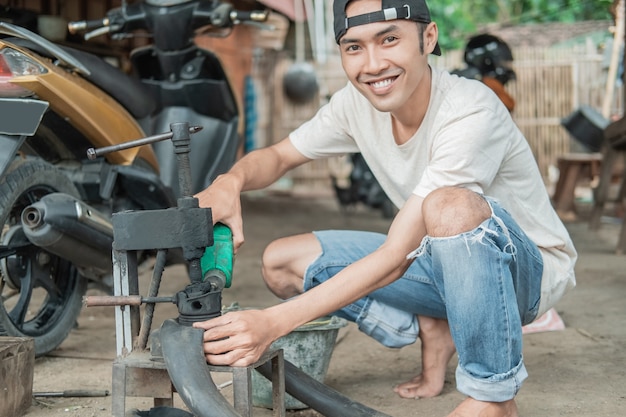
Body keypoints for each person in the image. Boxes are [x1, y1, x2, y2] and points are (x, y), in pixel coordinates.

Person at [193, 0, 577, 416]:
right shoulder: (353, 104)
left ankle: (493, 396)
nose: (373, 64)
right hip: (438, 260)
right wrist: (229, 182)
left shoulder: (470, 108)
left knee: (448, 206)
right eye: (354, 47)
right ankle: (436, 324)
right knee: (282, 261)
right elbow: (280, 157)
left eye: (389, 39)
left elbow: (396, 257)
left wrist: (273, 322)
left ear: (427, 39)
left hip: (524, 274)